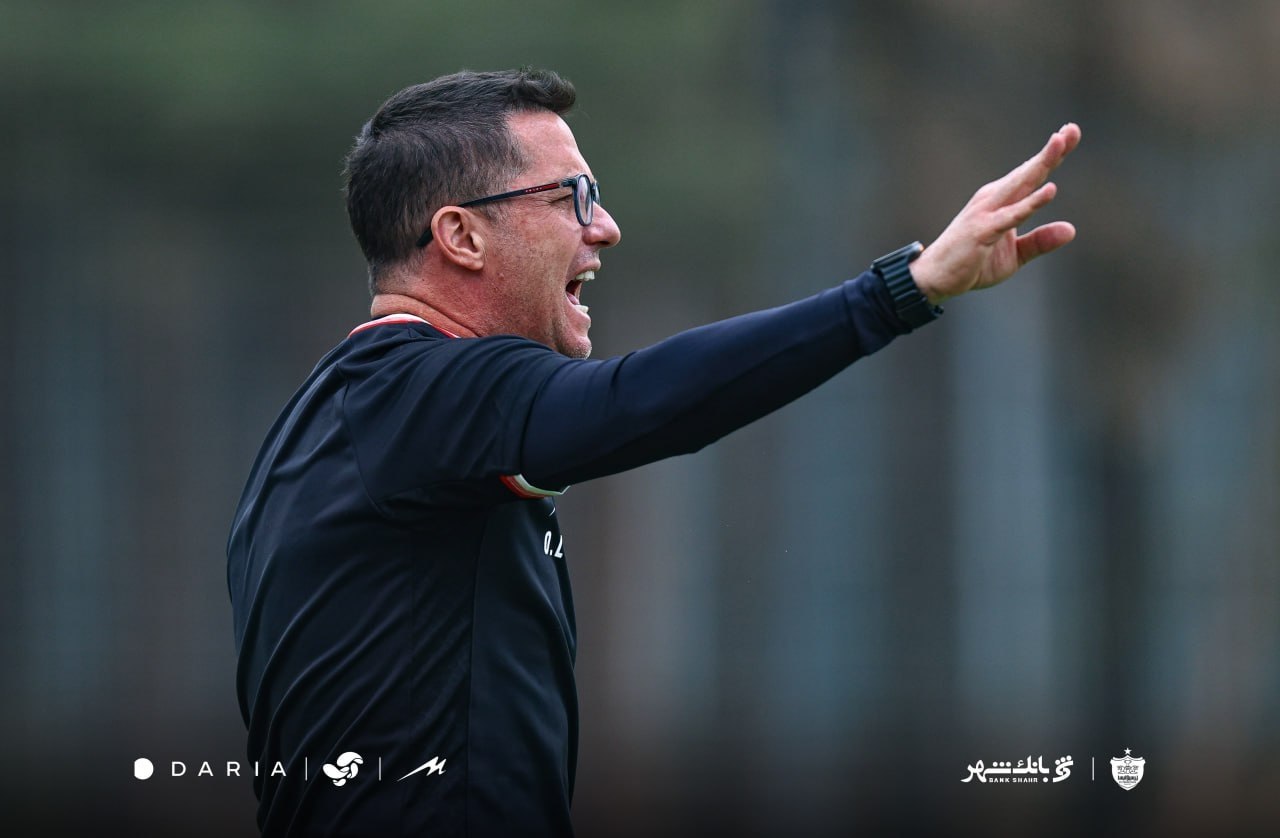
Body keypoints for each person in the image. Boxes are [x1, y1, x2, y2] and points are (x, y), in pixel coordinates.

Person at [227, 67, 1081, 837]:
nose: (606, 228)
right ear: (461, 236)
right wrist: (899, 292)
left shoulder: (346, 414)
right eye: (573, 197)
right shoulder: (420, 391)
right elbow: (641, 401)